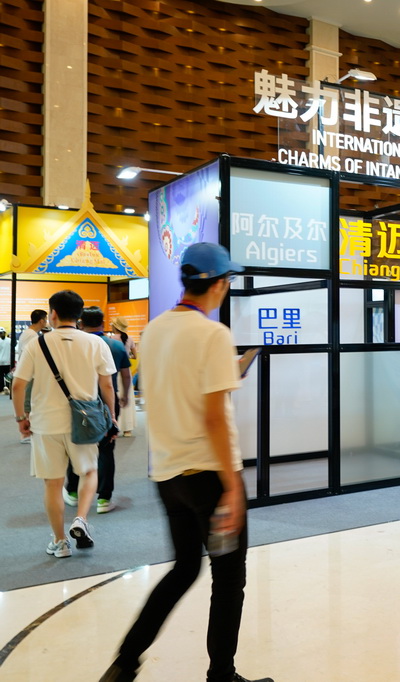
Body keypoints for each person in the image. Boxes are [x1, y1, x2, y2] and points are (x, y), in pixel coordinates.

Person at [100, 243, 271, 682]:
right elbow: (214, 417)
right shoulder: (213, 334)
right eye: (227, 280)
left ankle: (125, 662)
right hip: (209, 477)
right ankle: (221, 676)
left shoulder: (156, 330)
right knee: (228, 579)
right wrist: (233, 489)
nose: (227, 287)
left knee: (184, 568)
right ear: (217, 284)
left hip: (169, 476)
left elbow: (171, 388)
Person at [11, 291, 117, 559]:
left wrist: (21, 419)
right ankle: (81, 518)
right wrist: (112, 416)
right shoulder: (96, 343)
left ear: (53, 314)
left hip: (45, 423)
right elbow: (107, 385)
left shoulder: (37, 343)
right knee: (89, 472)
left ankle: (60, 542)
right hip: (84, 421)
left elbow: (18, 385)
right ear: (79, 315)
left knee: (53, 483)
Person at [63, 307, 132, 515]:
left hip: (80, 404)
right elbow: (125, 375)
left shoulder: (75, 344)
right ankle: (104, 498)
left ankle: (73, 491)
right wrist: (125, 395)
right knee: (106, 449)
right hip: (108, 403)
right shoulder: (116, 345)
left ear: (81, 322)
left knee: (76, 444)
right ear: (103, 323)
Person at [14, 310, 49, 441]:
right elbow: (29, 356)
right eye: (45, 319)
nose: (46, 322)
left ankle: (27, 432)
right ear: (41, 321)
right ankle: (26, 434)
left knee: (29, 401)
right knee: (28, 402)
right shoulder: (32, 336)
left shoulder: (30, 334)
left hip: (29, 373)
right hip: (29, 374)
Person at [111, 316, 138, 437]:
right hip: (126, 372)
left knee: (114, 399)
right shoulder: (130, 339)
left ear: (114, 326)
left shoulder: (111, 339)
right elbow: (135, 356)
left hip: (114, 372)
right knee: (128, 399)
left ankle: (116, 426)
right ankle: (128, 429)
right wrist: (127, 356)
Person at [0, 329, 10, 394]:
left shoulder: (9, 340)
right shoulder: (10, 340)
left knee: (4, 377)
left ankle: (3, 389)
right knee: (7, 377)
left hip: (3, 362)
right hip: (7, 362)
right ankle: (6, 389)